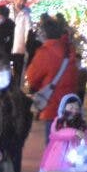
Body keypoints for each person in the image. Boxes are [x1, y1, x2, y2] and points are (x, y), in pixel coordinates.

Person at [26, 19, 79, 148]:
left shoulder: (45, 52)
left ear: (44, 34)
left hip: (52, 103)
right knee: (67, 141)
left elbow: (32, 77)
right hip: (69, 103)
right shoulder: (69, 49)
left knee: (52, 144)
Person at [34, 94, 87, 172]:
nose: (74, 110)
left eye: (76, 108)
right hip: (51, 165)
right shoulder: (58, 121)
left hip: (68, 166)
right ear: (63, 107)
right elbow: (57, 133)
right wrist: (74, 132)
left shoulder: (81, 125)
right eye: (71, 107)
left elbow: (85, 137)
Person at [10, 0, 31, 80]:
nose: (21, 3)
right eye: (20, 0)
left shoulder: (26, 13)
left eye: (23, 1)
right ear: (15, 0)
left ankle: (17, 85)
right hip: (8, 43)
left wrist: (27, 43)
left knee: (18, 69)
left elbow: (28, 29)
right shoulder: (8, 11)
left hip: (19, 45)